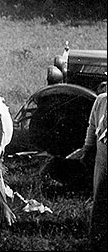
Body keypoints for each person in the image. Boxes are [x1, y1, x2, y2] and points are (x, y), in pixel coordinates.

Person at [81, 92, 107, 251]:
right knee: (100, 194)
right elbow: (92, 125)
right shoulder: (101, 100)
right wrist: (88, 146)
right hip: (103, 156)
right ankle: (97, 237)